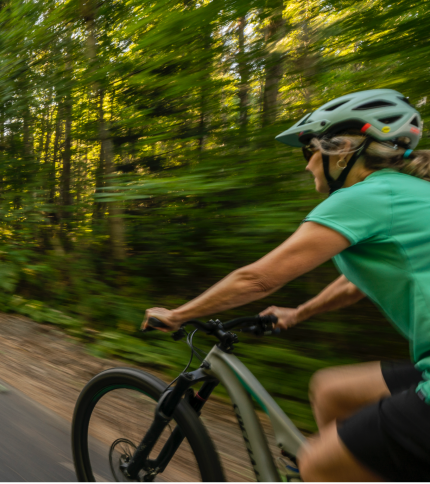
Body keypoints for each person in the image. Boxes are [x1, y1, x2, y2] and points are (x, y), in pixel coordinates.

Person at [143, 89, 430, 481]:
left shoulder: (365, 197)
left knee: (316, 464)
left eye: (308, 151)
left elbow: (259, 279)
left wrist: (178, 315)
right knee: (331, 391)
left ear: (342, 149)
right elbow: (354, 284)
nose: (308, 165)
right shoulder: (406, 194)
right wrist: (299, 313)